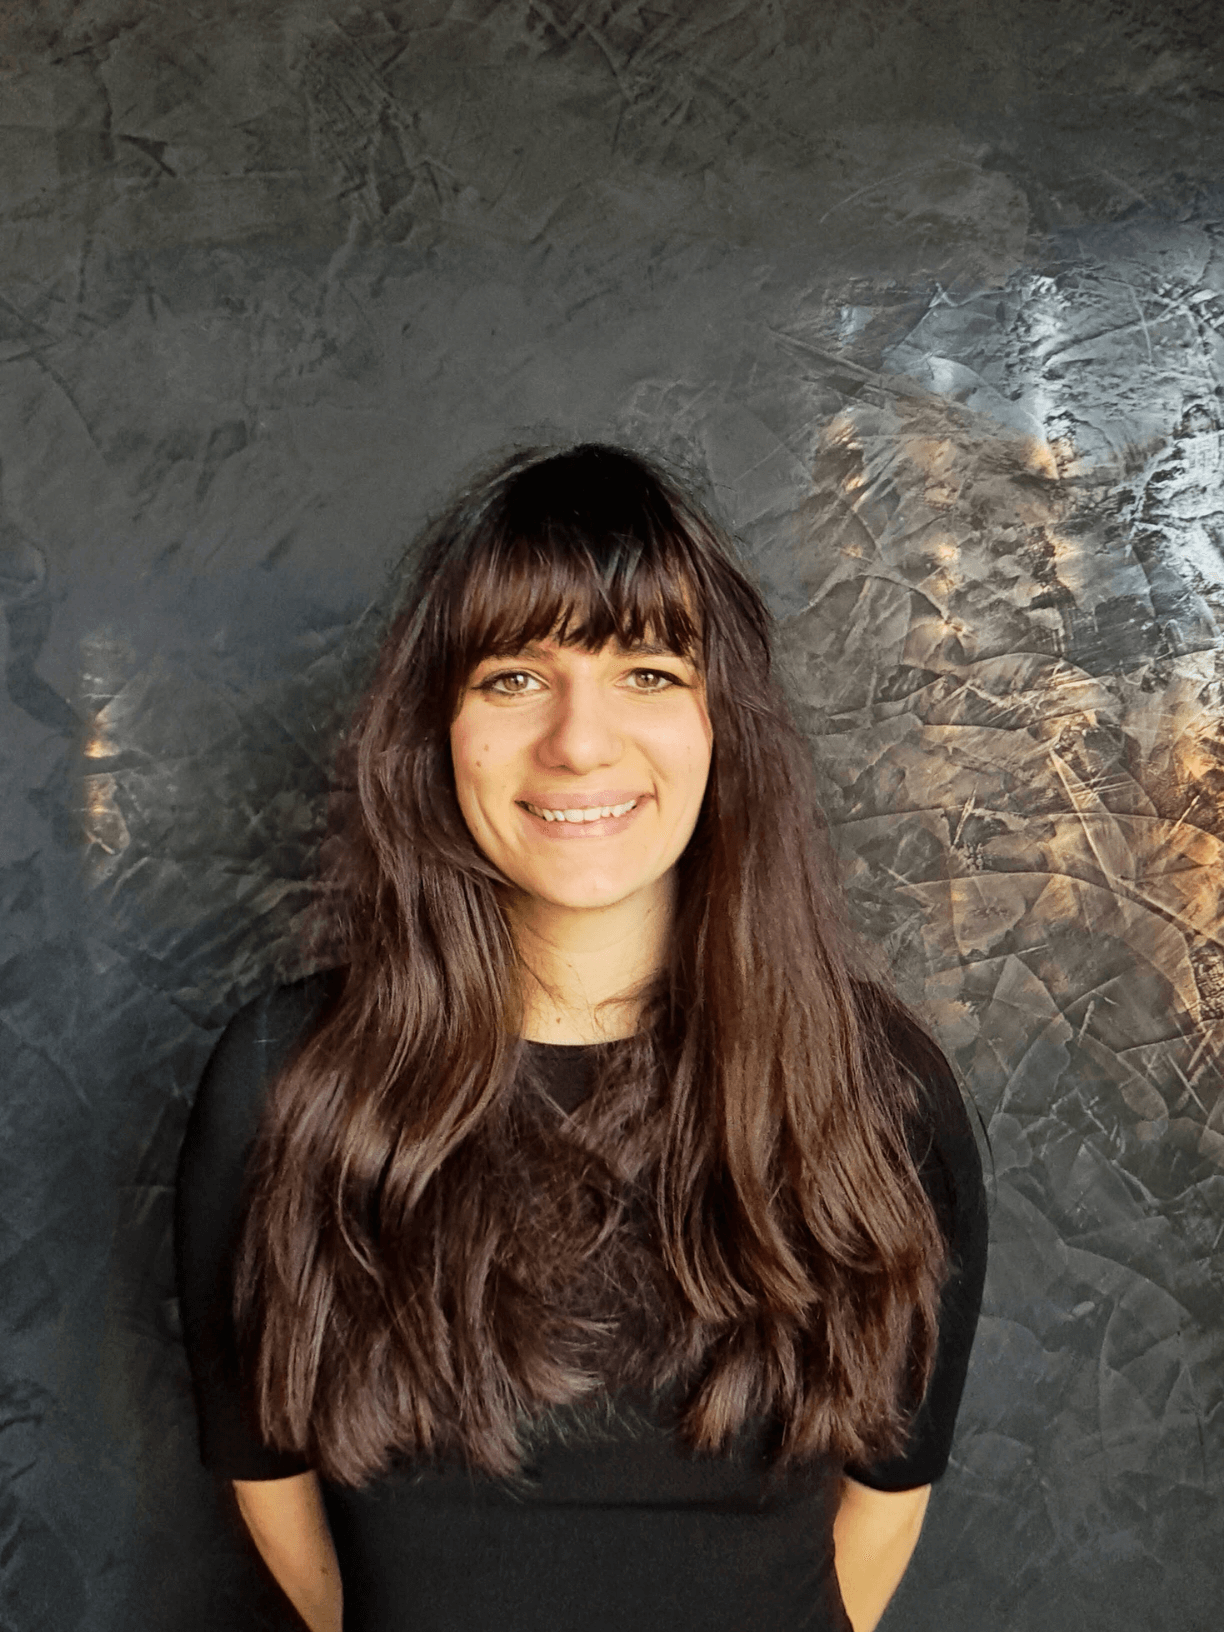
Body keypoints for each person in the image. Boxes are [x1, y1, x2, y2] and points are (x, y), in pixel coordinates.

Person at [175, 443, 988, 1632]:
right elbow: (269, 1481)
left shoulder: (880, 1094)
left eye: (649, 673)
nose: (579, 742)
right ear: (436, 728)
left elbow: (883, 1508)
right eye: (512, 677)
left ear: (725, 723)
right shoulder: (284, 1083)